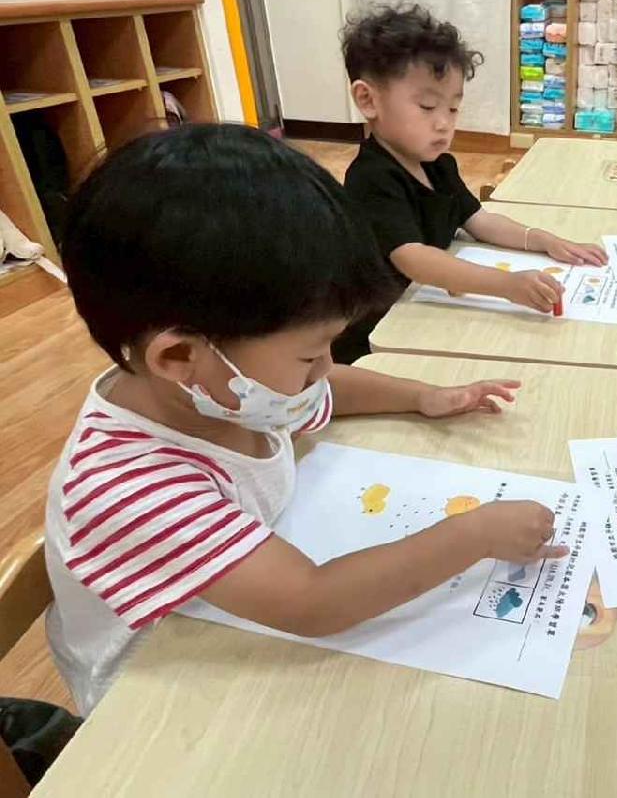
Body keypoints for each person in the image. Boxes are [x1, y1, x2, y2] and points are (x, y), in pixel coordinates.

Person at [48, 124, 565, 715]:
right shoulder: (130, 484)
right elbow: (311, 602)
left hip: (237, 616)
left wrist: (424, 397)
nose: (324, 368)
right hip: (157, 695)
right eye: (308, 355)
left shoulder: (221, 388)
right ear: (178, 356)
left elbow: (327, 390)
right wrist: (474, 535)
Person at [335, 3, 606, 361]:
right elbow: (414, 258)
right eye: (427, 107)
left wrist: (544, 241)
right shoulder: (371, 178)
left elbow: (479, 220)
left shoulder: (437, 165)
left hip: (428, 312)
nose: (444, 123)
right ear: (367, 100)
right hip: (378, 336)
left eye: (452, 108)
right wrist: (507, 285)